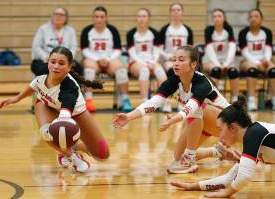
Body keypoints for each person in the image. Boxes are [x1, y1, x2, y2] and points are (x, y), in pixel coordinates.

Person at [112, 46, 233, 174]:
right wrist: (129, 116)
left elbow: (192, 106)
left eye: (181, 60)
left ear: (193, 64)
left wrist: (173, 120)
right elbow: (153, 103)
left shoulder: (202, 81)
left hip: (227, 123)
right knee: (178, 157)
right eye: (174, 59)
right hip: (202, 124)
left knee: (198, 109)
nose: (176, 63)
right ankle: (217, 151)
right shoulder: (172, 82)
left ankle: (190, 158)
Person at [0, 46, 110, 173]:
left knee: (102, 154)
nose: (55, 66)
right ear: (48, 62)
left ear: (69, 67)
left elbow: (64, 115)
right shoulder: (43, 73)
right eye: (53, 62)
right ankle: (72, 156)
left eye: (61, 63)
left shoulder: (70, 87)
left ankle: (69, 146)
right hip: (45, 104)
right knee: (47, 132)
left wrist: (64, 137)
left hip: (74, 113)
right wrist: (17, 98)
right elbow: (34, 85)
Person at [171, 95, 275, 198]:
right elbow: (228, 179)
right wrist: (192, 186)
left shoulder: (254, 133)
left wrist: (227, 193)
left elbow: (244, 176)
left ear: (233, 127)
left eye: (220, 129)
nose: (219, 135)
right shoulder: (253, 137)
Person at [81, 6, 132, 112]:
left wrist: (107, 59)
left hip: (110, 60)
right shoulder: (87, 30)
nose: (99, 19)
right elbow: (84, 50)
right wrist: (98, 59)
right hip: (93, 59)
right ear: (93, 18)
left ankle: (125, 100)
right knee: (89, 69)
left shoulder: (112, 30)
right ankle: (89, 100)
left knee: (121, 70)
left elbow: (118, 49)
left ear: (106, 18)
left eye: (101, 17)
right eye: (96, 17)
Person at [127, 8, 171, 112]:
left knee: (160, 71)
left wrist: (152, 62)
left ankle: (165, 102)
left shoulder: (154, 33)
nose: (141, 19)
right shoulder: (131, 34)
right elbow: (132, 53)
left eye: (144, 16)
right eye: (139, 16)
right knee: (144, 71)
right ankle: (145, 103)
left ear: (148, 18)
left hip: (152, 60)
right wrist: (144, 64)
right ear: (136, 18)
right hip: (136, 62)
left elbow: (157, 51)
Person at [239, 8, 275, 111]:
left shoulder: (267, 32)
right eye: (251, 17)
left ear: (261, 19)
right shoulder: (243, 33)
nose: (253, 19)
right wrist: (257, 63)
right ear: (248, 19)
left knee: (273, 70)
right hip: (248, 61)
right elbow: (244, 52)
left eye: (256, 16)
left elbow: (268, 49)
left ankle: (274, 100)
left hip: (264, 60)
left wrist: (266, 60)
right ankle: (251, 101)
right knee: (252, 70)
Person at [31, 7, 83, 76]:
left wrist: (67, 59)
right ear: (52, 16)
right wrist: (45, 57)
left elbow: (73, 48)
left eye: (61, 15)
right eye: (56, 14)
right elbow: (36, 47)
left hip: (64, 60)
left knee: (79, 68)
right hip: (46, 59)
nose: (58, 16)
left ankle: (70, 86)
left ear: (66, 18)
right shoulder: (43, 29)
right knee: (42, 68)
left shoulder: (70, 30)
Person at [202, 9, 239, 103]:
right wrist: (218, 64)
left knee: (233, 71)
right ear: (212, 19)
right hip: (210, 60)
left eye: (219, 16)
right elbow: (209, 49)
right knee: (216, 70)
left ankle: (235, 99)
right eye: (214, 16)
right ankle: (214, 99)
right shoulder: (209, 30)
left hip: (226, 60)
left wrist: (226, 64)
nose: (217, 19)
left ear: (224, 18)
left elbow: (232, 47)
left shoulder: (228, 29)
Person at [159, 2, 193, 77]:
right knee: (173, 70)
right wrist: (169, 57)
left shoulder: (188, 30)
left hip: (183, 60)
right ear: (170, 13)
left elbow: (190, 49)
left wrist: (183, 58)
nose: (176, 12)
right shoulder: (164, 29)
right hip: (169, 60)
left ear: (182, 12)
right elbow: (159, 49)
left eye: (178, 10)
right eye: (173, 10)